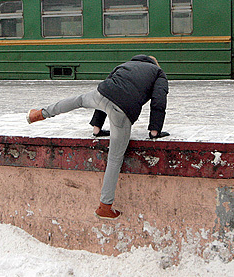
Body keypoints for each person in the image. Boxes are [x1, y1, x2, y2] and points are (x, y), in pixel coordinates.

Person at [26, 54, 169, 220]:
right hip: (122, 110)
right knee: (115, 159)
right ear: (154, 64)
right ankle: (105, 206)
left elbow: (110, 90)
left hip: (101, 94)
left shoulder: (125, 64)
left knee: (78, 100)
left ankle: (40, 114)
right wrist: (154, 131)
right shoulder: (159, 73)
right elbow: (159, 100)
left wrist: (97, 128)